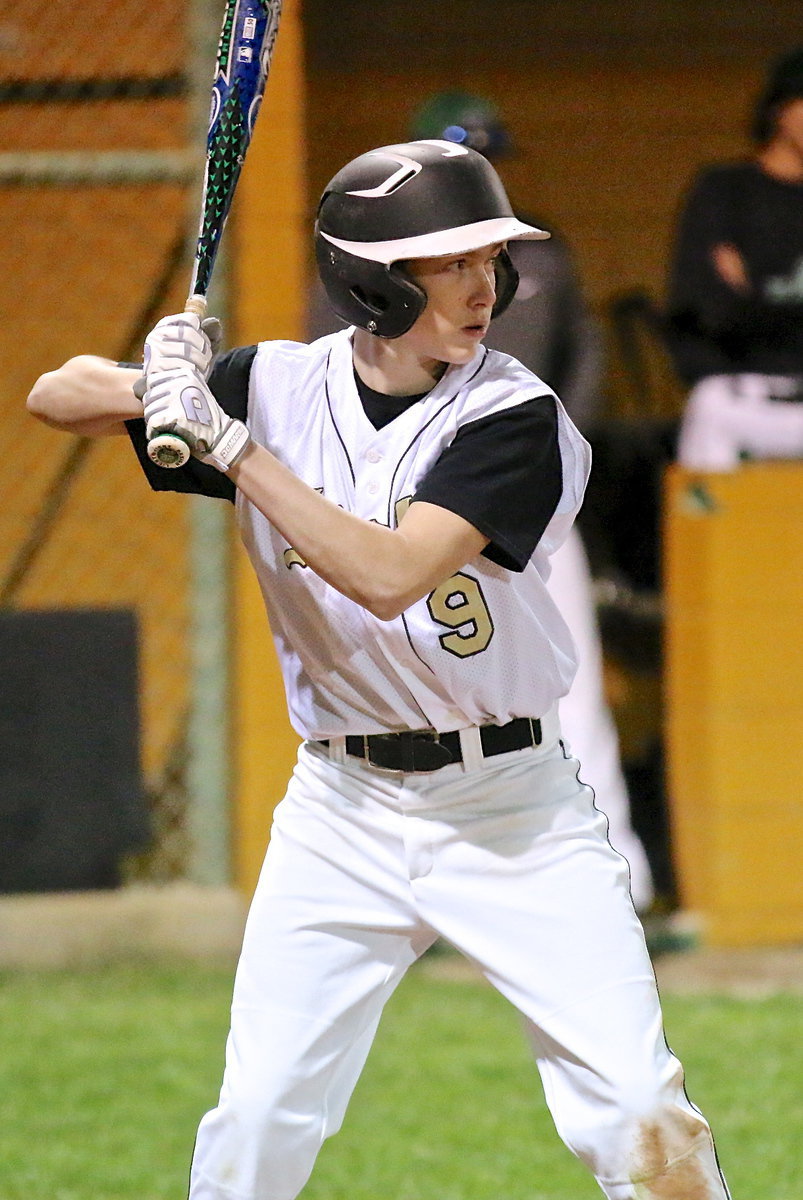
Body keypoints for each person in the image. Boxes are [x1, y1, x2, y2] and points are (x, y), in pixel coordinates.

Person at [27, 140, 730, 1199]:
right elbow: (51, 394)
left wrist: (228, 447)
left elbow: (387, 573)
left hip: (509, 811)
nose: (483, 285)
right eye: (448, 264)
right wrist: (151, 376)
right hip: (341, 810)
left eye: (489, 259)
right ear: (371, 282)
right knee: (256, 1119)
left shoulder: (513, 417)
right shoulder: (275, 387)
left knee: (635, 1109)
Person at [310, 91, 656, 911]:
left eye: (486, 154)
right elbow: (325, 373)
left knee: (562, 685)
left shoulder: (541, 258)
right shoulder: (362, 265)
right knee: (398, 691)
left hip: (514, 511)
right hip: (391, 512)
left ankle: (614, 877)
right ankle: (410, 896)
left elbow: (583, 367)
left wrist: (533, 470)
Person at [667, 46, 803, 470]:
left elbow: (741, 306)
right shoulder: (727, 191)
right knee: (712, 411)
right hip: (741, 389)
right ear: (781, 109)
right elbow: (706, 309)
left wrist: (753, 295)